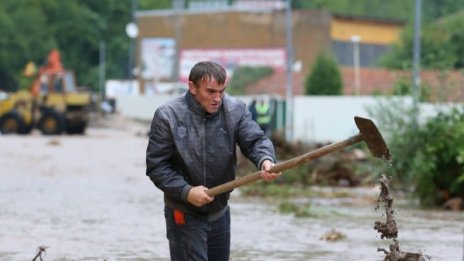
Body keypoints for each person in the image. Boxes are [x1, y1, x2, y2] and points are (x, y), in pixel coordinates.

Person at [145, 61, 281, 261]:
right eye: (210, 92)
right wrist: (187, 191)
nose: (217, 98)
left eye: (221, 91)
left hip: (219, 212)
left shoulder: (236, 110)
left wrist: (265, 160)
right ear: (192, 87)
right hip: (184, 213)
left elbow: (255, 141)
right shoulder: (168, 116)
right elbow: (157, 167)